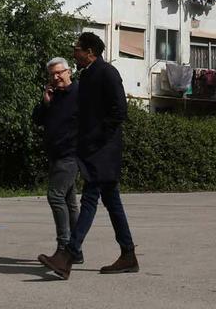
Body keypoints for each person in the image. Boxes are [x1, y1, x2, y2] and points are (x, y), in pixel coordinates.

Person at [39, 32, 137, 279]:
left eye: (77, 48)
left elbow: (119, 111)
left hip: (103, 151)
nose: (74, 52)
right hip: (93, 150)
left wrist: (96, 139)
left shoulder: (106, 72)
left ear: (90, 51)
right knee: (112, 202)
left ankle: (68, 255)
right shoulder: (88, 74)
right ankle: (128, 254)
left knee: (89, 200)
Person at [31, 56, 81, 263]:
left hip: (71, 155)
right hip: (55, 155)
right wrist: (46, 103)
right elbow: (36, 119)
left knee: (55, 196)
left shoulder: (80, 94)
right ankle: (75, 251)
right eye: (52, 74)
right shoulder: (54, 95)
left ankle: (64, 248)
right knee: (69, 202)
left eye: (60, 72)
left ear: (69, 71)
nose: (56, 76)